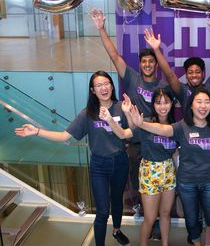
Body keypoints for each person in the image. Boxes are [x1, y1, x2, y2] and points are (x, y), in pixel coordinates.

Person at [15, 71, 130, 246]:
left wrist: (130, 114)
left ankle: (117, 230)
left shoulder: (122, 107)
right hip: (99, 166)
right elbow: (63, 136)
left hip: (121, 161)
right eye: (99, 85)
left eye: (107, 83)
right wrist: (37, 131)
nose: (104, 88)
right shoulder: (88, 114)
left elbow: (131, 133)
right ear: (92, 90)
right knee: (102, 211)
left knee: (117, 200)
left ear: (112, 86)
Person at [129, 87, 210, 246]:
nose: (203, 106)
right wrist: (141, 123)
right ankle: (196, 243)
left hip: (209, 182)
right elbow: (162, 129)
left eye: (207, 102)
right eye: (199, 102)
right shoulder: (181, 126)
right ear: (191, 106)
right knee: (190, 220)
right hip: (186, 182)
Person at [91, 9, 166, 219]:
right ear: (140, 64)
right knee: (139, 181)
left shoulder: (163, 86)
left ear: (157, 64)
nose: (148, 64)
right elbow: (114, 56)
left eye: (152, 61)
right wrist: (102, 29)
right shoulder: (132, 78)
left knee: (162, 182)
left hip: (157, 141)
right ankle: (148, 217)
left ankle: (161, 218)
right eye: (144, 62)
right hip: (135, 142)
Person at [100, 88, 177, 246]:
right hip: (150, 172)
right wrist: (110, 119)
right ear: (153, 105)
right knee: (150, 217)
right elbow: (123, 134)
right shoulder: (145, 122)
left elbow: (176, 151)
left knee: (165, 213)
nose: (163, 106)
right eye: (158, 102)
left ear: (172, 103)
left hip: (169, 172)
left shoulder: (176, 126)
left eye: (166, 102)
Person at [144, 11, 210, 118]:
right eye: (190, 72)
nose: (194, 75)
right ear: (186, 75)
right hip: (189, 134)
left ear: (203, 74)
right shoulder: (183, 90)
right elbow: (169, 75)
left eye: (197, 72)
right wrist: (156, 49)